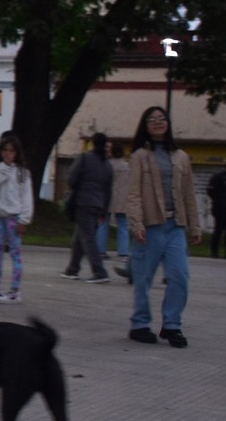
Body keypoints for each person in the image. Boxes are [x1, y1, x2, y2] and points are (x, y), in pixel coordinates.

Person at [124, 106, 201, 348]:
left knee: (180, 277)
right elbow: (133, 193)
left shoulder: (180, 157)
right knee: (143, 279)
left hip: (175, 226)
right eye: (151, 119)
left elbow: (189, 193)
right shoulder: (139, 156)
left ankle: (172, 326)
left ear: (168, 123)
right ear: (145, 125)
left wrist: (194, 226)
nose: (157, 122)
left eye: (162, 118)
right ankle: (140, 324)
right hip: (150, 226)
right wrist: (136, 223)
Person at [0, 132, 33, 303]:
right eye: (5, 150)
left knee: (15, 253)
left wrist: (24, 219)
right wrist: (4, 169)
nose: (8, 154)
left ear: (17, 152)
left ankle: (14, 291)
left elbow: (27, 197)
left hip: (13, 218)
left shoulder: (22, 173)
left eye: (11, 151)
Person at [61, 132, 112, 283]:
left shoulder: (84, 158)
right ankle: (72, 269)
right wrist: (104, 211)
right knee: (80, 236)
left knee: (88, 238)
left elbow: (71, 179)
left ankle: (99, 271)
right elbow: (108, 191)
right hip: (98, 204)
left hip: (83, 202)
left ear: (93, 143)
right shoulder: (107, 165)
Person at [102, 141, 133, 276]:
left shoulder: (107, 165)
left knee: (103, 224)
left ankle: (101, 250)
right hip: (123, 198)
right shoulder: (127, 166)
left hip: (108, 197)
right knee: (123, 225)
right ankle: (124, 252)